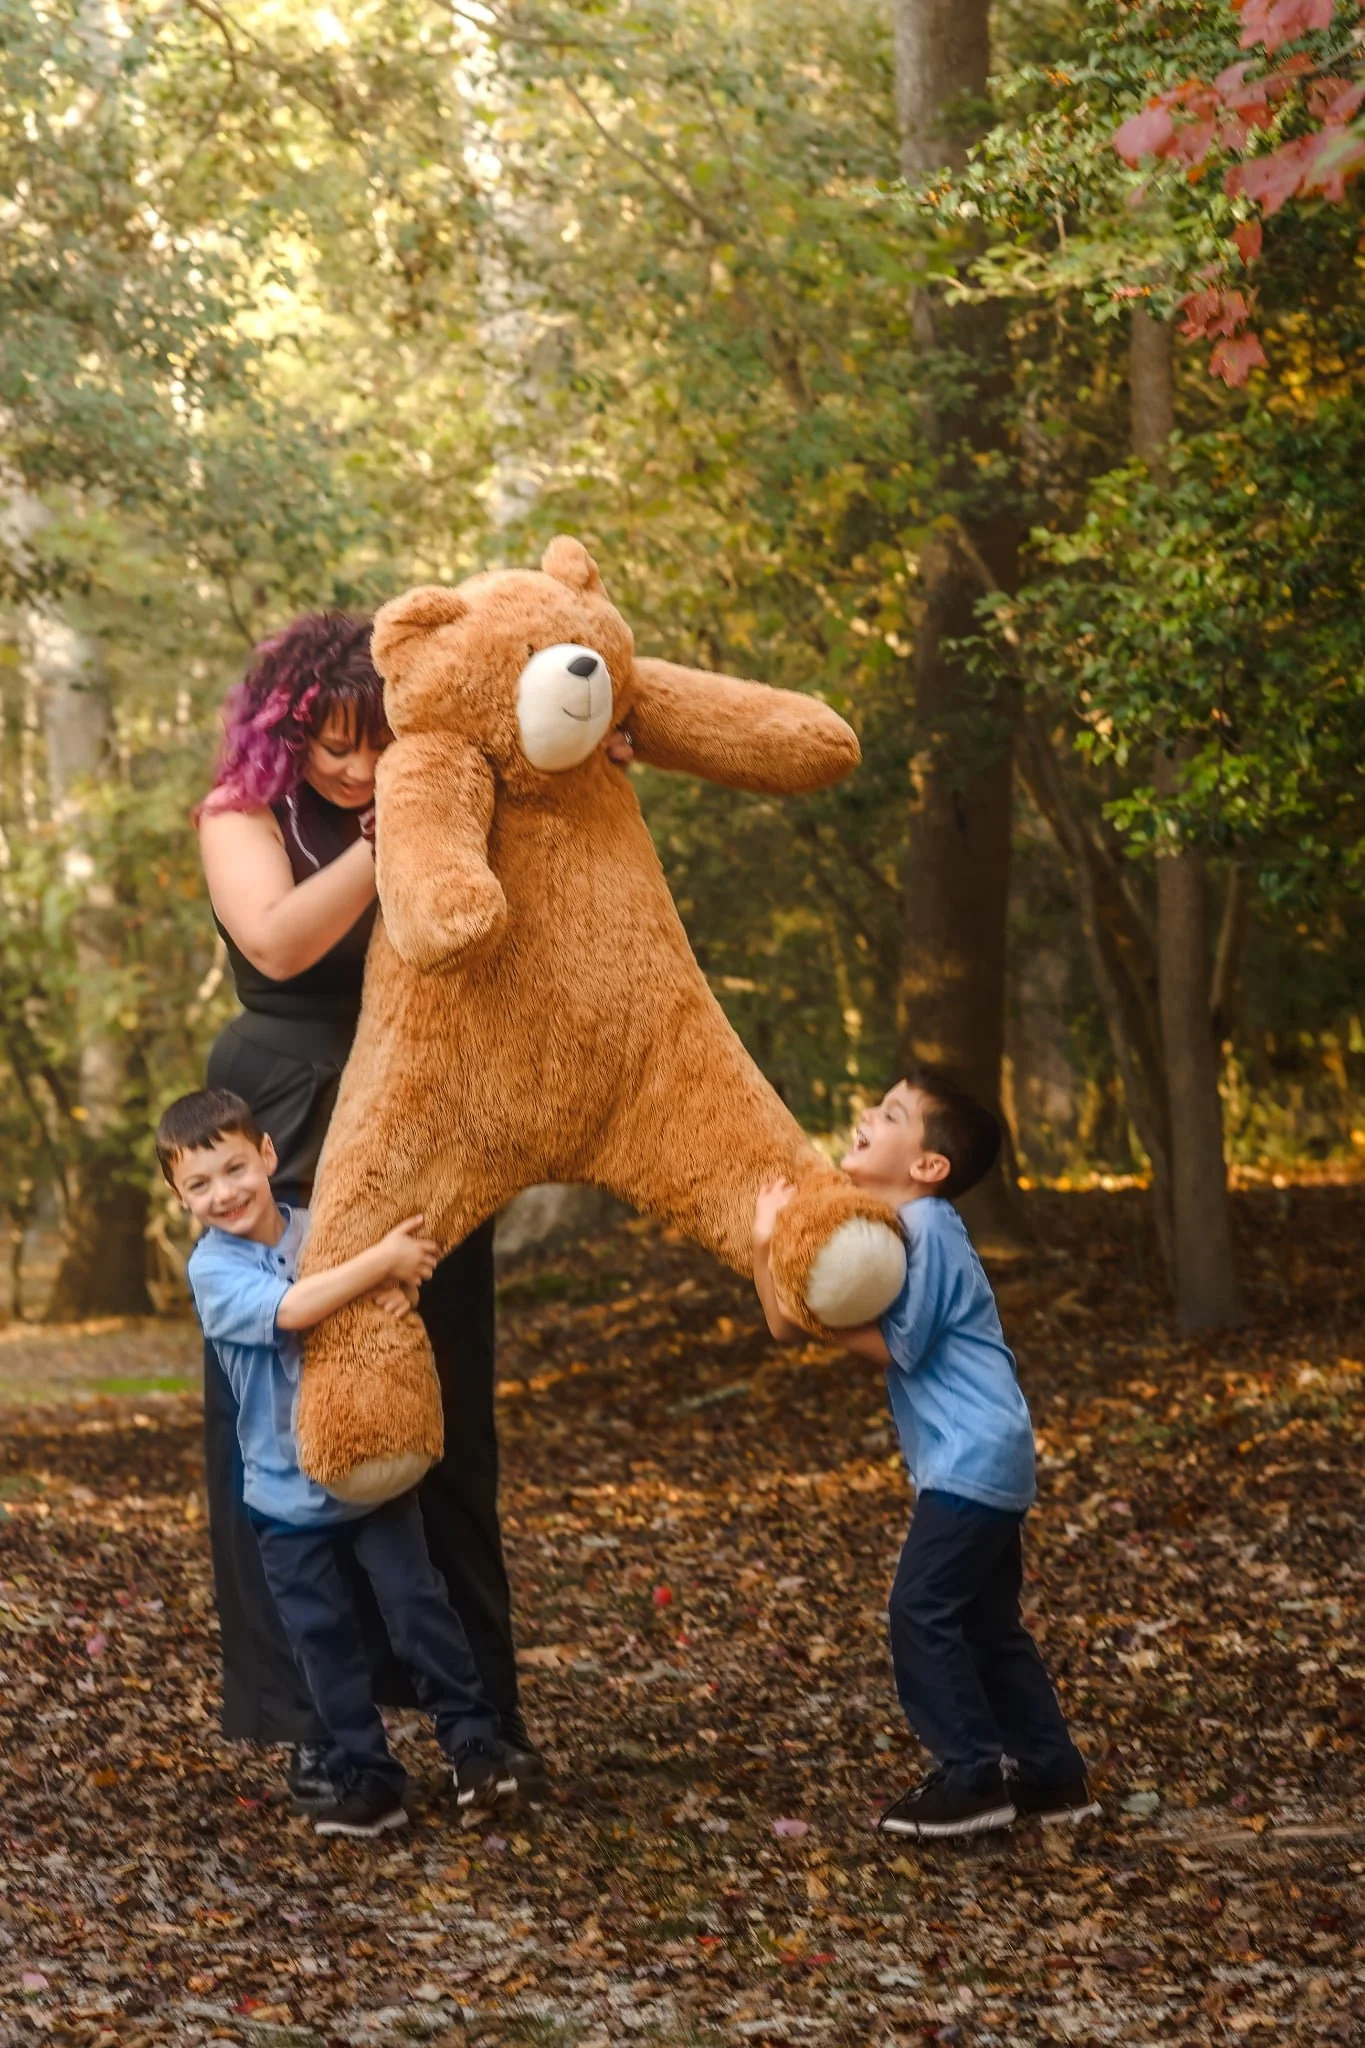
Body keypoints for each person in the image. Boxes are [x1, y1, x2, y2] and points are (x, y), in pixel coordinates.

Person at [194, 612, 570, 1805]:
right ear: (285, 727)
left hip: (424, 1107)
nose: (357, 766)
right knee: (286, 1412)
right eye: (331, 743)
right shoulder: (240, 817)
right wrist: (387, 832)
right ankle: (321, 1723)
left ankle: (481, 1717)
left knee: (438, 1400)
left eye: (379, 743)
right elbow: (279, 940)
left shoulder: (442, 789)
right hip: (284, 1111)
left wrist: (577, 753)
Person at [161, 1088, 519, 1838]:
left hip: (372, 1473)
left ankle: (474, 1745)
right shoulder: (213, 1270)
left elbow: (387, 1284)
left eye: (233, 1168)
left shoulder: (326, 1230)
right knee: (324, 1640)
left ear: (267, 1156)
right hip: (284, 1497)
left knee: (419, 1609)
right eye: (199, 1184)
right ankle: (368, 1774)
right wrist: (376, 1267)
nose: (223, 1193)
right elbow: (293, 1310)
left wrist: (396, 1285)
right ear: (179, 1196)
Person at [752, 1068, 1096, 1840]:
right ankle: (1051, 1775)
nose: (868, 1114)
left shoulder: (933, 1226)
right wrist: (765, 1242)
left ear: (927, 1167)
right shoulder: (890, 1230)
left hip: (972, 1459)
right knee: (985, 1624)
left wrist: (810, 1314)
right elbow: (783, 1327)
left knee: (920, 1610)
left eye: (891, 1112)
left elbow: (895, 1347)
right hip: (981, 1459)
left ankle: (971, 1776)